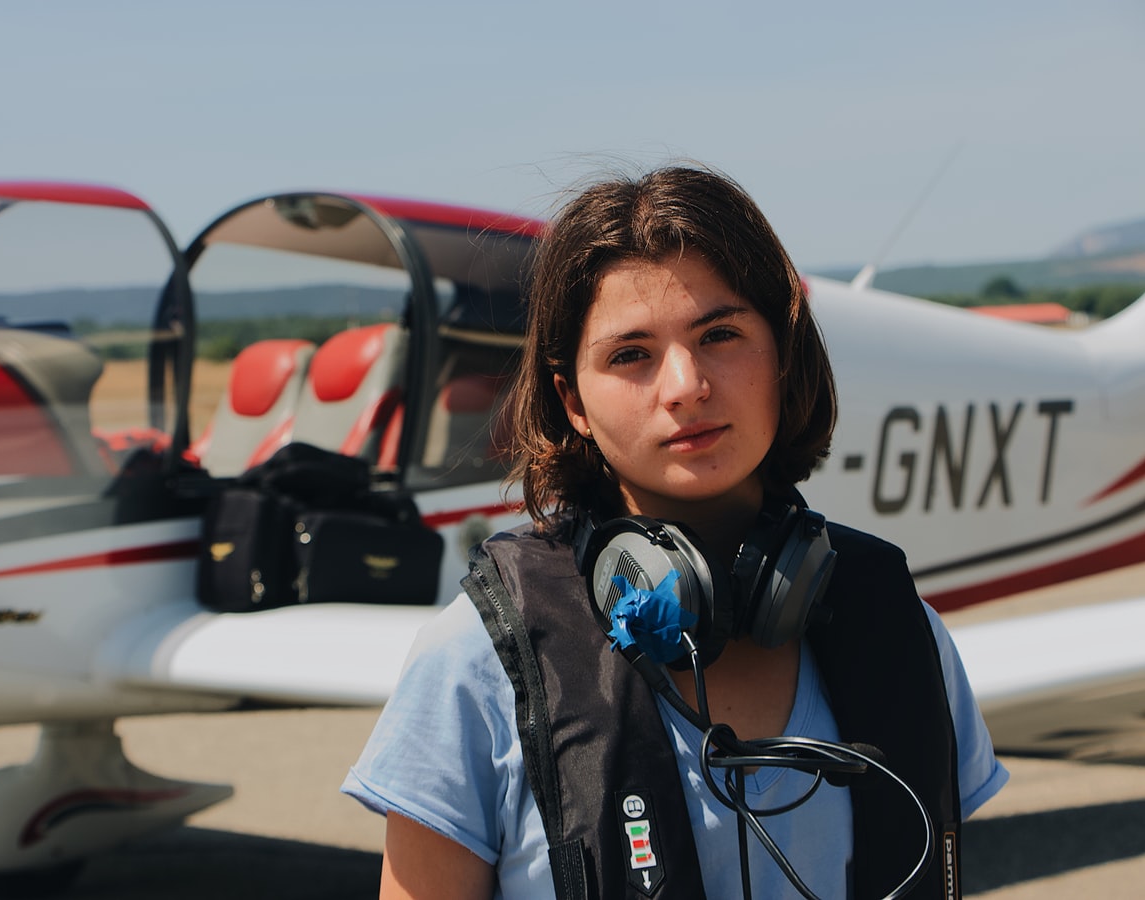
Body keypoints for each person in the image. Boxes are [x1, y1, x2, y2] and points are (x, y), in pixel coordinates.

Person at [342, 165, 1007, 899]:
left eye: (720, 334)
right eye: (631, 354)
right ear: (573, 402)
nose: (686, 384)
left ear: (781, 358)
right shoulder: (478, 661)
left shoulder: (902, 634)